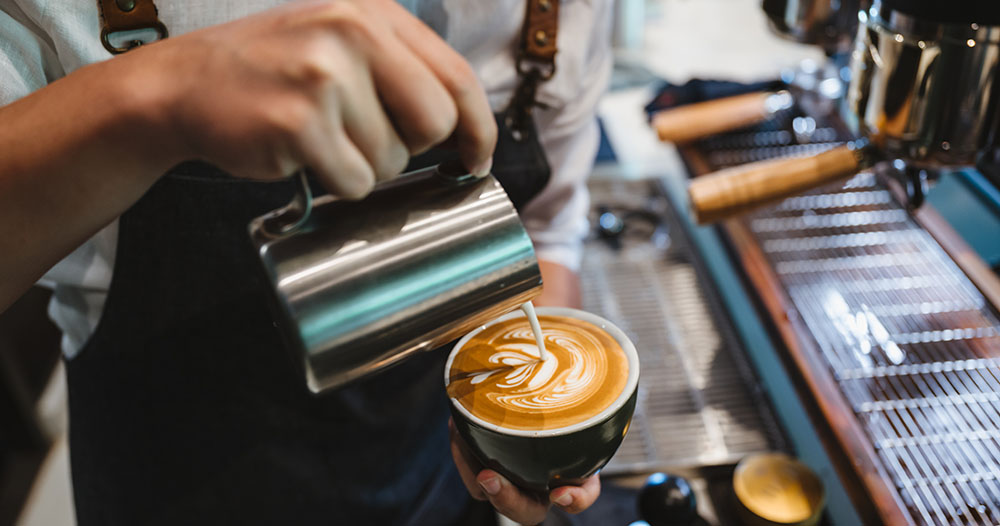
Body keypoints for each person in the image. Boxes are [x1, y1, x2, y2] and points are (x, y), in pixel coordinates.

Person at [0, 0, 612, 524]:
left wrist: (536, 427)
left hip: (437, 483)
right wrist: (162, 95)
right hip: (172, 488)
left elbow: (546, 229)